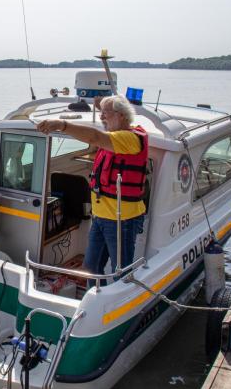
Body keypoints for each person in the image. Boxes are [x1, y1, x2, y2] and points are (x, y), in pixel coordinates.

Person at [36, 95, 148, 284]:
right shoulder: (113, 137)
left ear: (121, 116)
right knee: (90, 267)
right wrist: (102, 104)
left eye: (106, 114)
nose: (102, 117)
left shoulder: (129, 138)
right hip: (101, 218)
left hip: (121, 220)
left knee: (121, 271)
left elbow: (95, 137)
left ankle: (120, 308)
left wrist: (60, 125)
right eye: (101, 113)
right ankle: (94, 301)